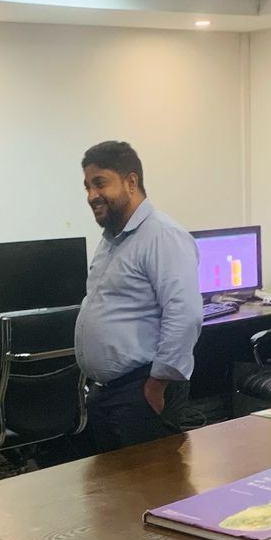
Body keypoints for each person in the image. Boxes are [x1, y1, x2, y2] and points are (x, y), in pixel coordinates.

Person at [73, 140, 202, 453]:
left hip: (143, 390)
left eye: (100, 183)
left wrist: (157, 384)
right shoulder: (111, 240)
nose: (91, 195)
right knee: (115, 483)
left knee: (153, 481)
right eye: (87, 186)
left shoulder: (162, 235)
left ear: (131, 182)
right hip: (108, 392)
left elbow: (185, 315)